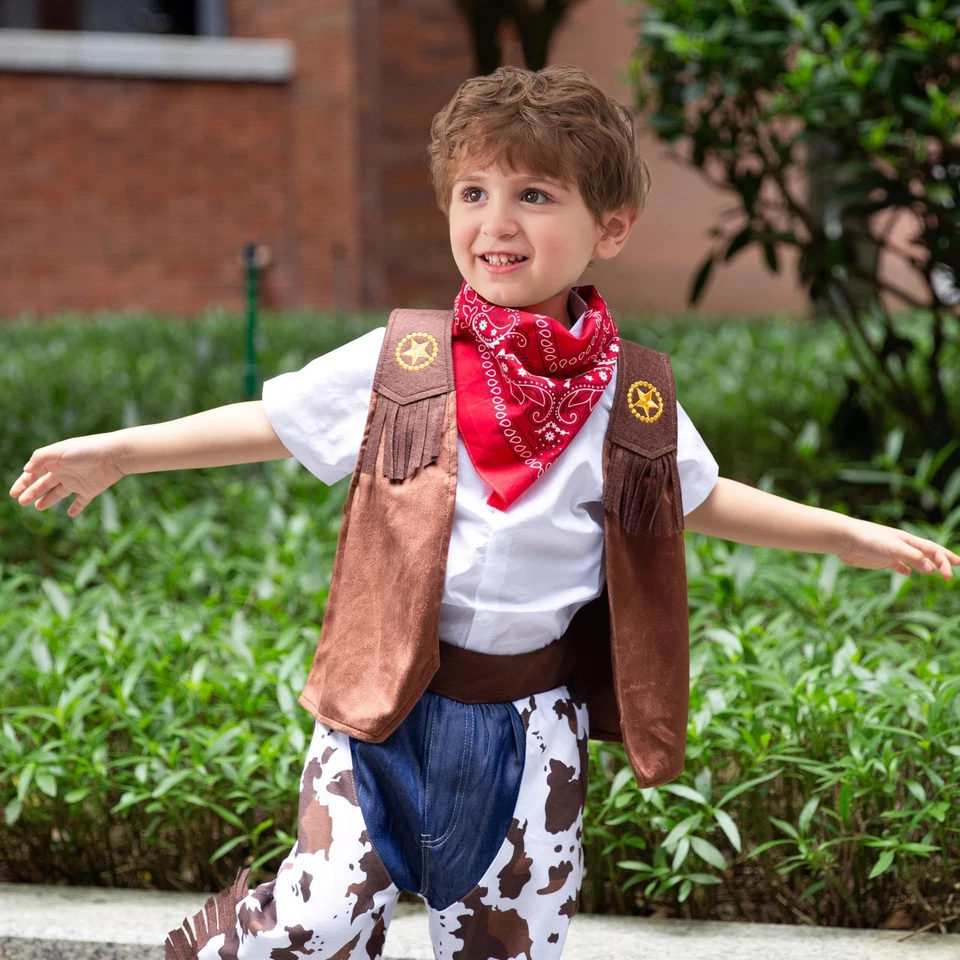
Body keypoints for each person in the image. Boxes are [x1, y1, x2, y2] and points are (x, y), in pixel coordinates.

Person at [9, 65, 958, 960]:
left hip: (529, 721)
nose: (496, 222)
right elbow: (272, 419)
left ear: (611, 227)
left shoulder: (629, 396)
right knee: (323, 914)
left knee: (510, 934)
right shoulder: (407, 361)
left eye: (534, 196)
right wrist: (118, 453)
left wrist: (849, 536)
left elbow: (695, 499)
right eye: (474, 193)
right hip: (382, 707)